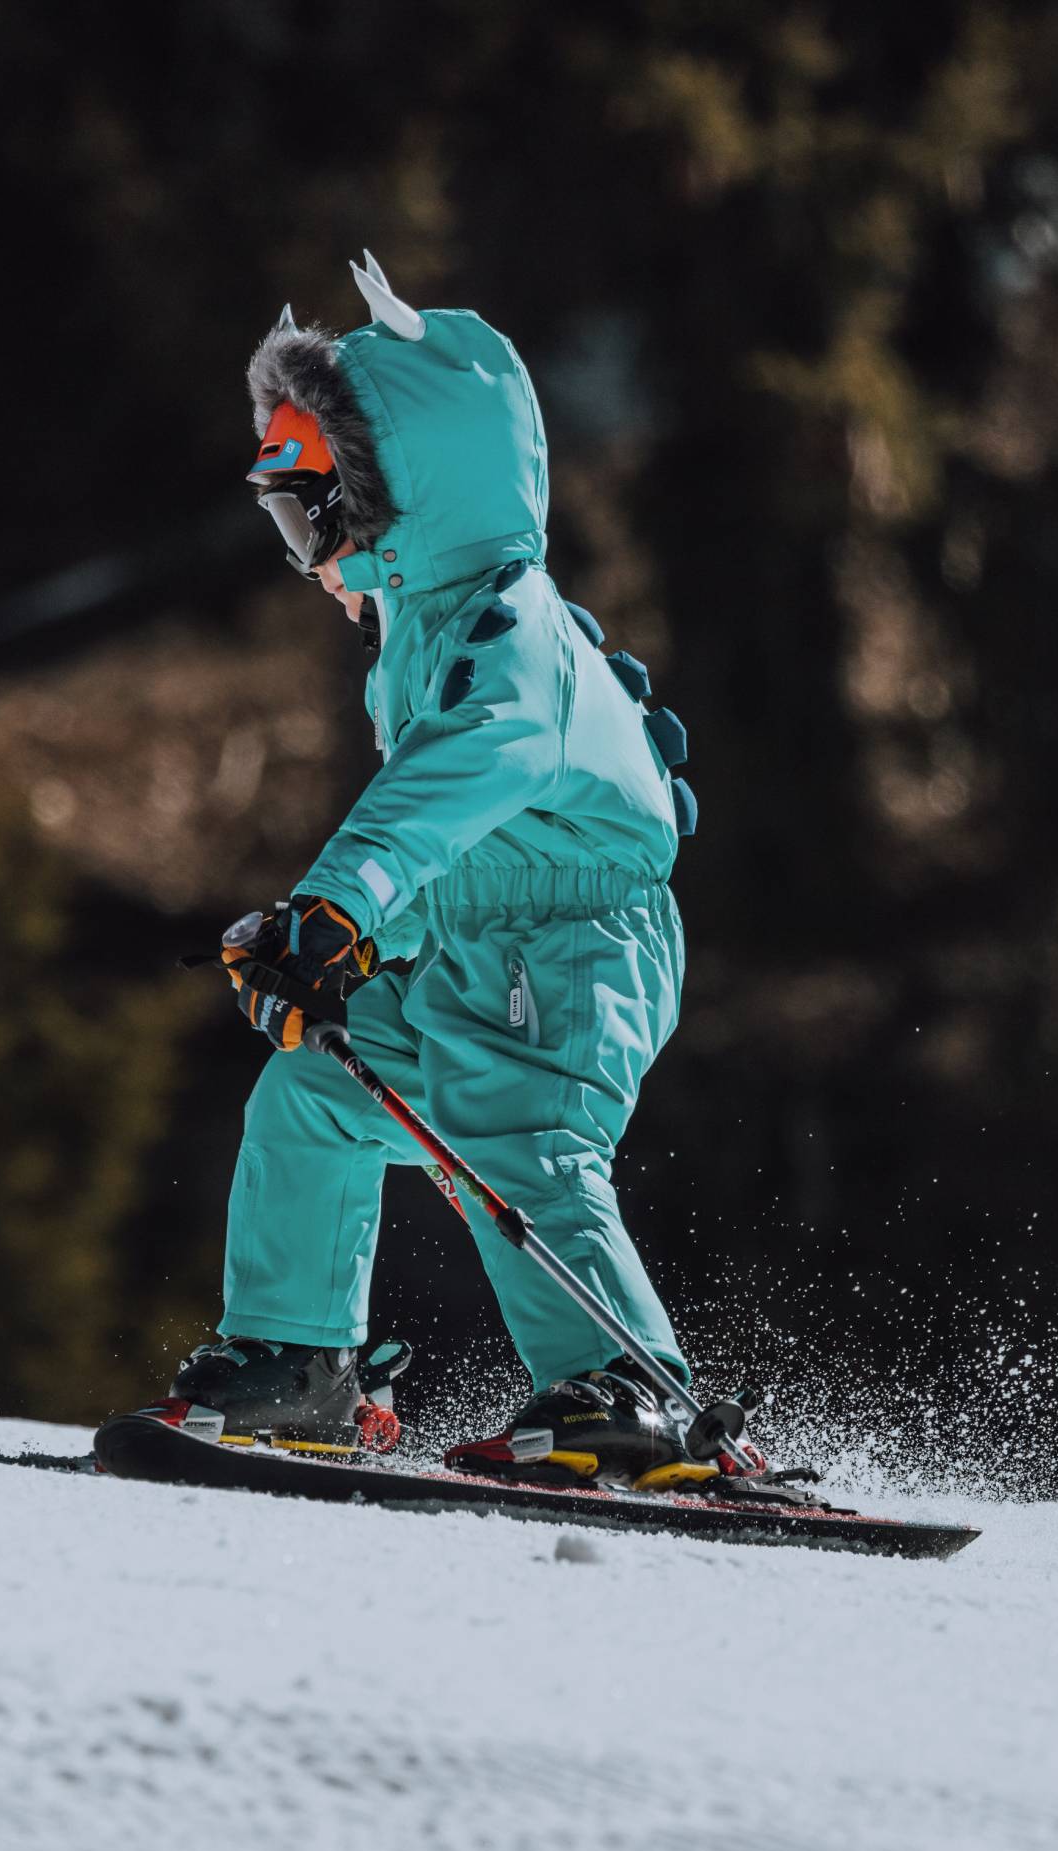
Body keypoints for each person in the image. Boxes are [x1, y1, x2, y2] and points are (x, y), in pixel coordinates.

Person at [150, 254, 701, 1486]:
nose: (302, 555)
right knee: (313, 1098)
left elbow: (453, 786)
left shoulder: (512, 638)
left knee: (517, 1133)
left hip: (575, 945)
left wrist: (333, 910)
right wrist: (351, 945)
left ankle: (637, 1392)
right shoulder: (421, 639)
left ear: (396, 500)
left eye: (307, 512)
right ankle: (304, 1361)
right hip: (479, 940)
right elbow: (453, 856)